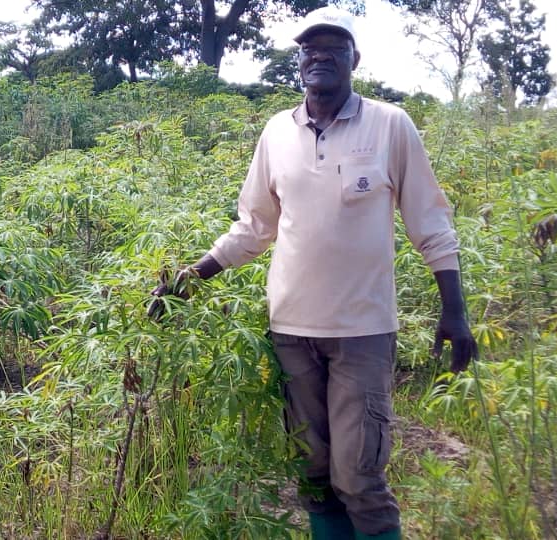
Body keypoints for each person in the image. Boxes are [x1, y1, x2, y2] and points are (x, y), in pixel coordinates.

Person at [148, 6, 477, 540]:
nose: (320, 54)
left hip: (362, 332)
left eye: (334, 45)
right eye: (309, 47)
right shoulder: (278, 131)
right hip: (292, 333)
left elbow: (430, 222)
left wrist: (455, 310)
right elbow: (255, 226)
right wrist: (191, 278)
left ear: (355, 58)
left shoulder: (390, 125)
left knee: (360, 476)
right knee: (313, 473)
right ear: (298, 61)